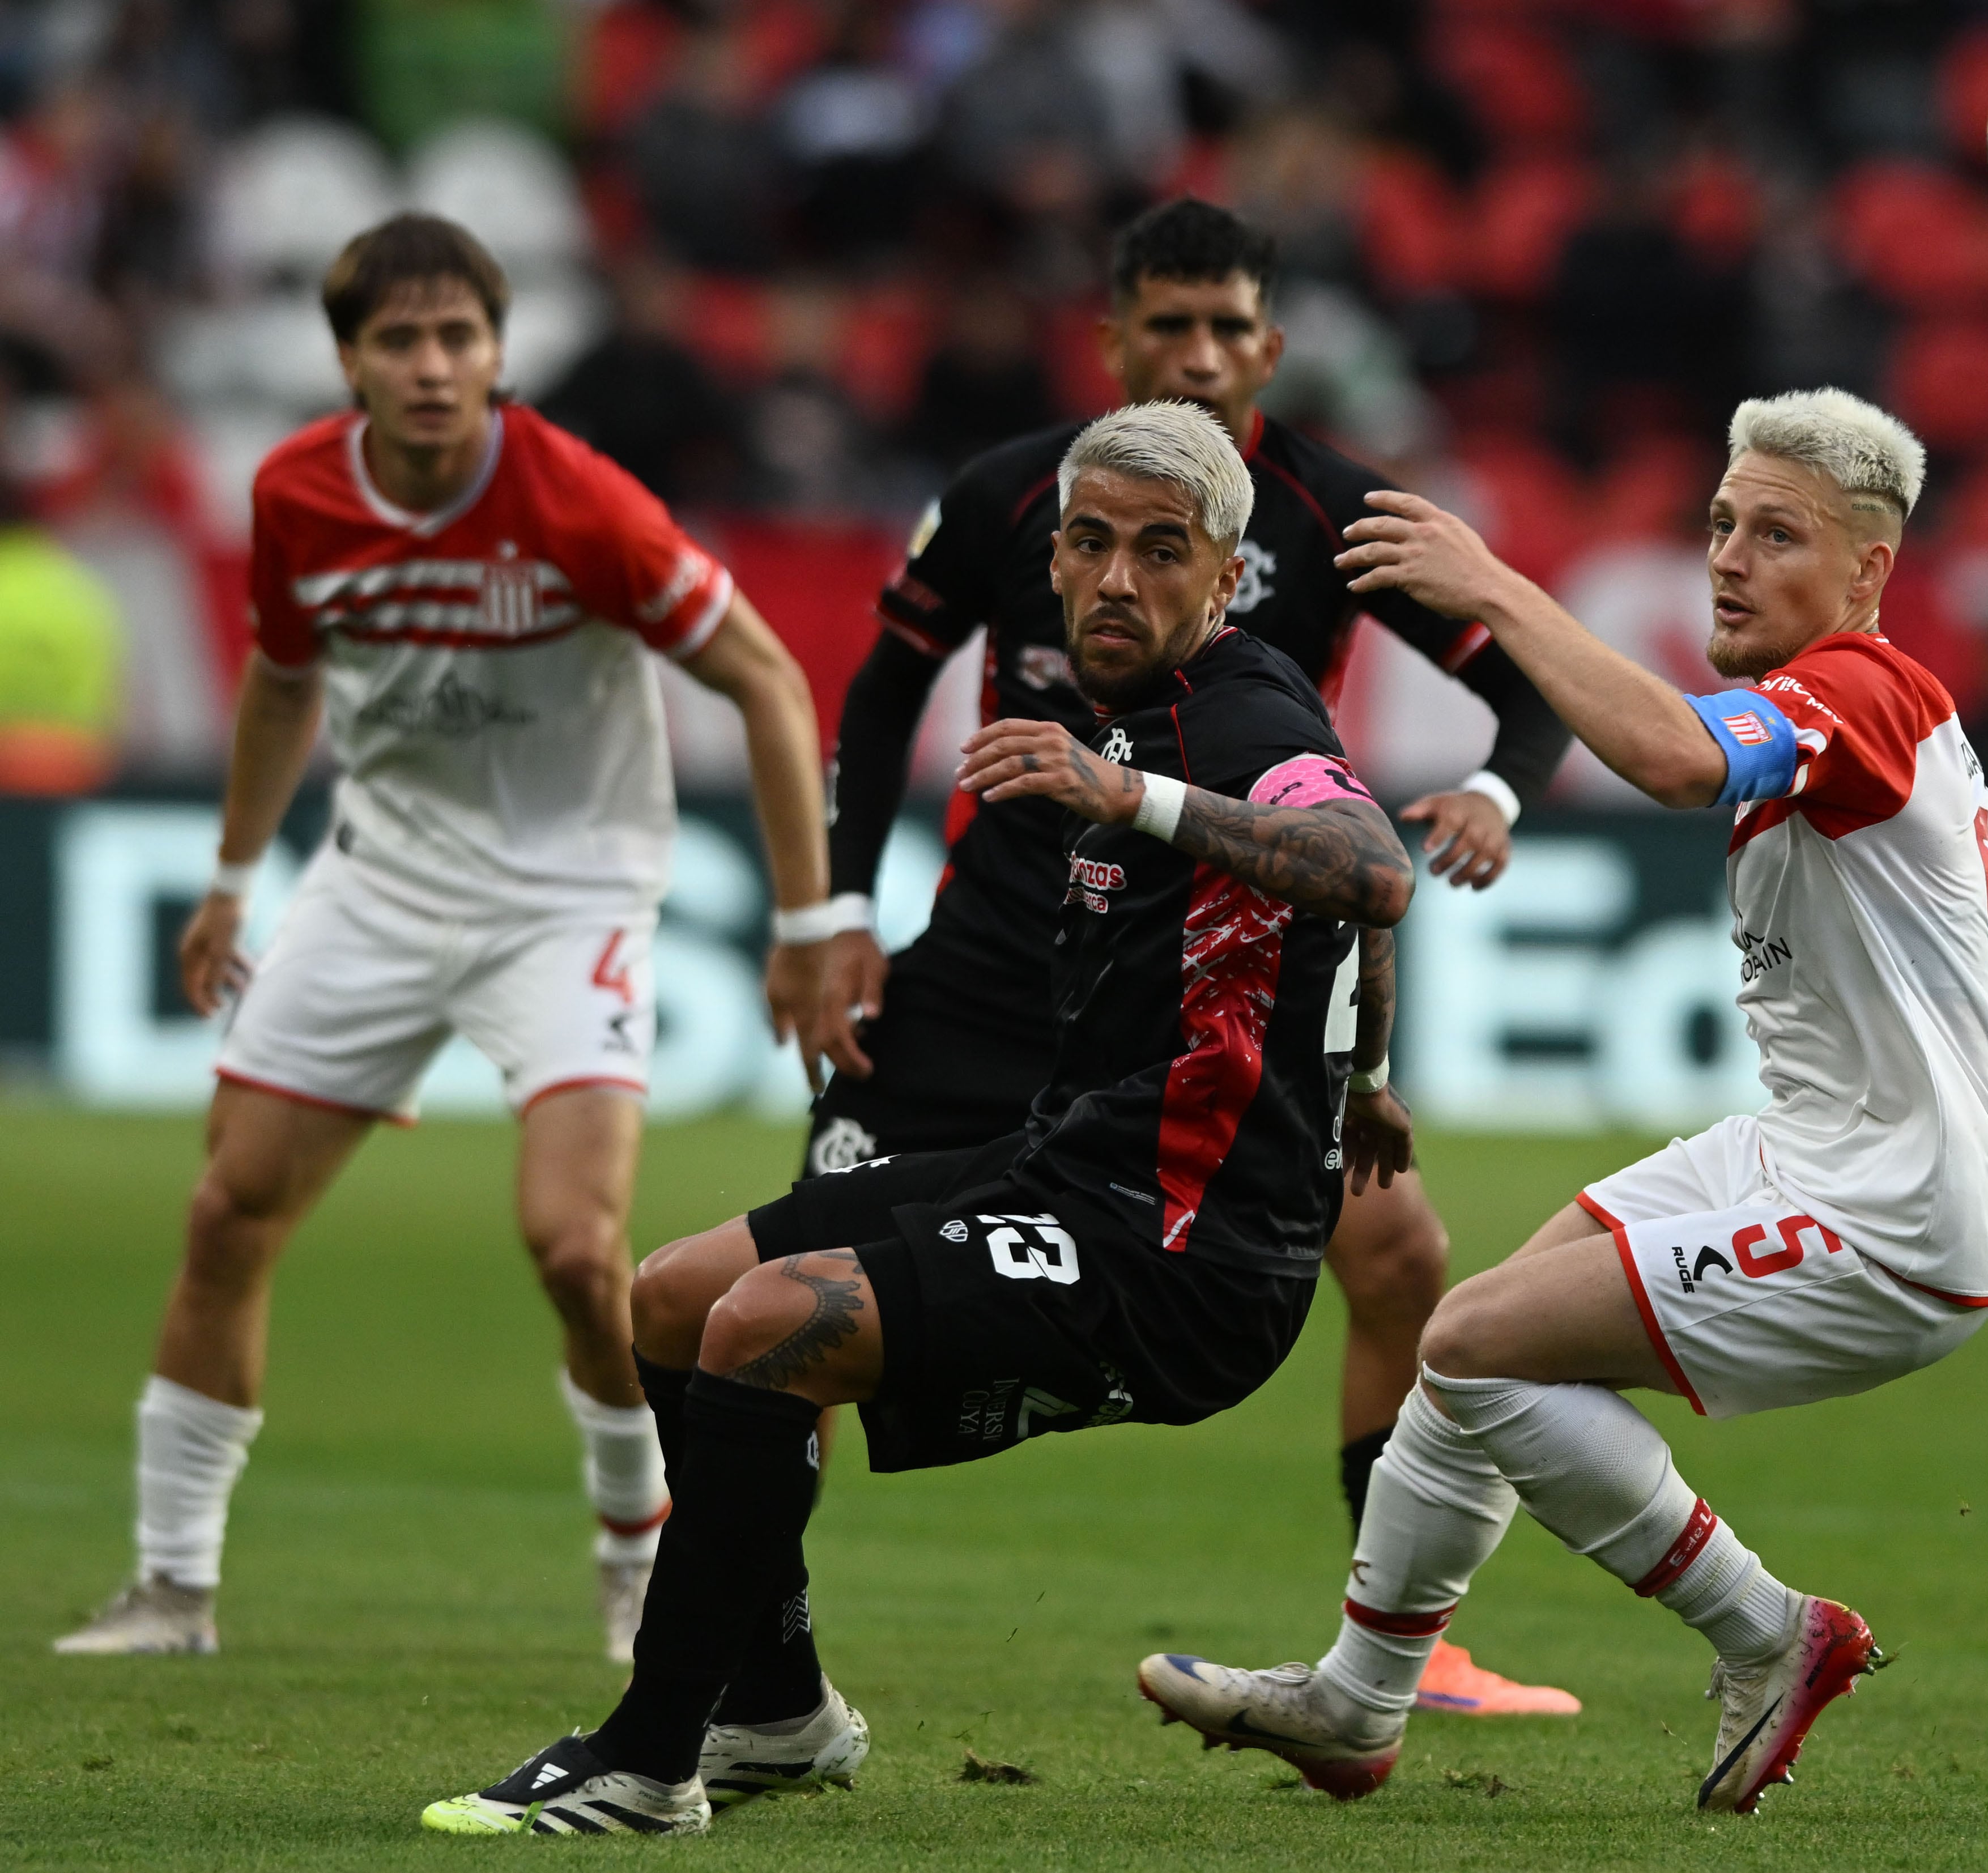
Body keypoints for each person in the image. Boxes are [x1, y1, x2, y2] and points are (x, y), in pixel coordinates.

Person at [1136, 388, 1988, 1812]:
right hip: (1810, 1152)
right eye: (1718, 524)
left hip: (1891, 1205)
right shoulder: (1917, 737)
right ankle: (1356, 1702)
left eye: (1776, 534)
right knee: (1474, 1360)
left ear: (1867, 573)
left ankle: (1768, 1632)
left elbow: (1669, 759)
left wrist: (1499, 592)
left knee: (1467, 1344)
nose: (1725, 557)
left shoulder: (1860, 695)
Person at [423, 399, 1415, 1836]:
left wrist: (1125, 795)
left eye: (1160, 551)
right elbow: (1348, 917)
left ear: (1223, 577)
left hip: (1180, 1258)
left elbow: (1369, 868)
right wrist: (1368, 1074)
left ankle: (646, 1760)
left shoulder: (1233, 712)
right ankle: (778, 1712)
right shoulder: (1140, 707)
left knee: (768, 1327)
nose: (1117, 580)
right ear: (1055, 562)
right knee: (672, 1299)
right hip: (1076, 1170)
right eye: (1089, 545)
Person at [807, 198, 1576, 1714]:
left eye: (1228, 325)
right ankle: (754, 1628)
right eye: (1169, 323)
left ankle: (1404, 1652)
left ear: (1271, 347)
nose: (1199, 352)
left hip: (1196, 979)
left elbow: (1529, 692)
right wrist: (836, 909)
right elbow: (882, 694)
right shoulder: (1011, 496)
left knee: (1409, 1257)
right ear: (1113, 341)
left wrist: (1496, 789)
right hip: (989, 958)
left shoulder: (1338, 510)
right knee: (798, 1263)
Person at [52, 215, 833, 1663]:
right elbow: (283, 683)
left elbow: (769, 683)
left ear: (498, 350)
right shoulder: (294, 492)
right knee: (227, 1215)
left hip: (569, 898)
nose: (432, 367)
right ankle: (172, 1589)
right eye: (400, 341)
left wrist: (805, 924)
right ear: (348, 360)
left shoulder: (579, 503)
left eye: (459, 338)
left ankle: (633, 1552)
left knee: (571, 1246)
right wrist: (232, 877)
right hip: (380, 887)